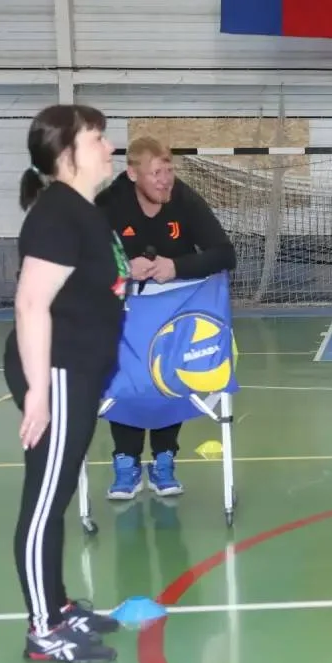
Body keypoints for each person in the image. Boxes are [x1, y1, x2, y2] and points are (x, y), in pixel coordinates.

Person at [7, 103, 130, 663]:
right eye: (97, 138)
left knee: (55, 498)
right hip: (55, 372)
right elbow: (31, 303)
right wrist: (40, 391)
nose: (109, 147)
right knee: (44, 503)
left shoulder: (84, 210)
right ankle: (43, 632)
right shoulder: (58, 213)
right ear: (66, 154)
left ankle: (57, 607)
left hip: (76, 373)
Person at [95, 136, 236, 500]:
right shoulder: (109, 204)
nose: (165, 180)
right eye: (156, 173)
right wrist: (121, 266)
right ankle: (126, 461)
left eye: (169, 171)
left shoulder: (184, 200)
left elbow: (225, 254)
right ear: (132, 174)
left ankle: (164, 458)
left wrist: (176, 266)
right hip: (123, 314)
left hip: (174, 311)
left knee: (167, 375)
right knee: (126, 380)